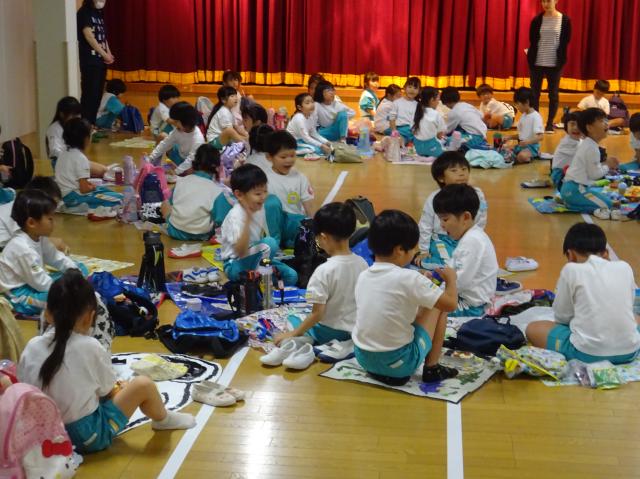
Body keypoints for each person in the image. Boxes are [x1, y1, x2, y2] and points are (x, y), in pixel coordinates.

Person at [18, 270, 195, 454]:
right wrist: (121, 388)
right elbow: (107, 390)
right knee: (143, 385)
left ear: (47, 314)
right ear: (89, 317)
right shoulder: (90, 346)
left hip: (42, 435)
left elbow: (24, 389)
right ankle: (163, 420)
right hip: (85, 437)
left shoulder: (32, 346)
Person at [351, 210, 459, 386]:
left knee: (416, 306)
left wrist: (422, 284)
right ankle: (432, 368)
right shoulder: (410, 278)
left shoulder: (363, 275)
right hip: (399, 366)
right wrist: (451, 280)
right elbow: (451, 304)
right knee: (438, 306)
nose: (415, 252)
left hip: (364, 358)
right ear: (400, 250)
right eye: (414, 248)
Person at [525, 223, 640, 364]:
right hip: (630, 352)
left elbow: (562, 317)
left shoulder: (571, 270)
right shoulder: (625, 267)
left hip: (587, 355)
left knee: (533, 329)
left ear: (570, 254)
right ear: (606, 253)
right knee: (635, 318)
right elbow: (627, 306)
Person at [274, 203, 368, 346]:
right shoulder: (362, 263)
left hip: (328, 332)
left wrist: (293, 333)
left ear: (323, 237)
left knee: (292, 318)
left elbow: (317, 314)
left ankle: (304, 339)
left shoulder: (323, 271)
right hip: (354, 329)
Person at [0, 190, 85, 315]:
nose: (53, 222)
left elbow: (56, 257)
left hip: (34, 283)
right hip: (20, 295)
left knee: (78, 268)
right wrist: (68, 288)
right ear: (31, 223)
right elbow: (41, 283)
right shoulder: (22, 248)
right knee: (65, 299)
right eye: (50, 218)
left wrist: (76, 272)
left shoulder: (40, 238)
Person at [219, 164, 297, 286]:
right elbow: (240, 251)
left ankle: (260, 277)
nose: (263, 197)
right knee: (270, 243)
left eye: (265, 191)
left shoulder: (259, 208)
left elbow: (260, 240)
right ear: (239, 195)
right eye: (258, 194)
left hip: (254, 259)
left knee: (291, 276)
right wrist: (247, 220)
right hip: (235, 265)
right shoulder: (236, 216)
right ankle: (258, 280)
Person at [433, 184, 498, 317]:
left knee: (427, 311)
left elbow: (460, 281)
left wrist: (435, 293)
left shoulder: (472, 241)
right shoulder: (470, 237)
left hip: (471, 306)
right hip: (462, 298)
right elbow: (451, 269)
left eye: (445, 219)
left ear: (465, 217)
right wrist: (435, 280)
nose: (441, 225)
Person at [415, 152, 487, 266]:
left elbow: (481, 218)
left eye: (464, 169)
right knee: (447, 262)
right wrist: (424, 250)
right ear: (441, 178)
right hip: (443, 239)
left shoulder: (477, 194)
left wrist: (477, 237)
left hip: (468, 237)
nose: (461, 174)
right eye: (454, 171)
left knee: (476, 260)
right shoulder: (435, 198)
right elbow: (425, 225)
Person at [560, 108, 622, 218]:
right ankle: (572, 205)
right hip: (575, 190)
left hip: (572, 188)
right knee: (607, 205)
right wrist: (607, 165)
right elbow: (594, 175)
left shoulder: (589, 144)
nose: (606, 123)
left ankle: (571, 202)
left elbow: (592, 170)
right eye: (601, 121)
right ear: (589, 128)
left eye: (606, 120)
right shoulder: (591, 148)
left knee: (605, 200)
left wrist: (605, 165)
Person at [55, 118, 122, 210]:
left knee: (103, 190)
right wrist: (92, 187)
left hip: (62, 195)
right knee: (118, 199)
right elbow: (84, 189)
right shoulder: (80, 158)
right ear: (86, 139)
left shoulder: (63, 154)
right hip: (74, 198)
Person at [161, 144, 224, 241]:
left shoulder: (181, 181)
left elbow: (169, 203)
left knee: (165, 203)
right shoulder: (217, 191)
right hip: (202, 235)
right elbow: (221, 219)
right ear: (217, 167)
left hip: (174, 231)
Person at [527, 0, 572, 132]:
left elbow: (566, 41)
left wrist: (561, 59)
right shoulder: (536, 20)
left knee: (553, 95)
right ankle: (536, 123)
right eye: (543, 1)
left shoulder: (565, 20)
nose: (546, 4)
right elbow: (532, 40)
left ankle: (549, 124)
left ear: (556, 1)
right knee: (535, 94)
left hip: (555, 63)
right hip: (537, 62)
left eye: (549, 1)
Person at [264, 131, 315, 243]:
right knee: (271, 203)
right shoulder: (263, 179)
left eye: (292, 155)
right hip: (271, 226)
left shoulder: (300, 178)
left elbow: (309, 206)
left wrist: (313, 226)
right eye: (283, 157)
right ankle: (275, 241)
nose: (289, 160)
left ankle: (291, 242)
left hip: (293, 223)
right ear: (269, 157)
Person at [0, 176, 67, 252]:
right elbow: (7, 251)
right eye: (50, 207)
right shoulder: (6, 215)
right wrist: (47, 244)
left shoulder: (31, 212)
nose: (53, 212)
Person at [77, 0, 115, 125]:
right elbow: (89, 36)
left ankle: (91, 125)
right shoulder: (84, 12)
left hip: (101, 61)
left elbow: (103, 37)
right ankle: (85, 125)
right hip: (90, 60)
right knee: (90, 94)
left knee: (98, 95)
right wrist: (103, 54)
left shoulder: (99, 13)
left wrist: (108, 53)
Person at [148, 102, 205, 175]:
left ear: (185, 122)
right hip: (179, 156)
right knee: (163, 137)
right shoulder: (178, 130)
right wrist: (151, 158)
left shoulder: (198, 139)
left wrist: (176, 172)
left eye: (176, 121)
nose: (174, 124)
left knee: (190, 171)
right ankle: (164, 166)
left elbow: (190, 159)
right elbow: (165, 144)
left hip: (192, 161)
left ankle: (178, 169)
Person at [503, 87, 544, 164]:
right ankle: (514, 157)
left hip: (531, 147)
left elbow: (540, 137)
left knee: (522, 156)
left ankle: (519, 158)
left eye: (517, 104)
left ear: (527, 102)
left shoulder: (536, 117)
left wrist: (528, 142)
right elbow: (522, 135)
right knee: (504, 149)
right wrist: (509, 137)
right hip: (521, 145)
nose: (516, 106)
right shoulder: (523, 116)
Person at [46, 97, 82, 169]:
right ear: (62, 114)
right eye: (73, 115)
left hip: (73, 160)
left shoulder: (72, 126)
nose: (76, 118)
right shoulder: (54, 128)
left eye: (77, 114)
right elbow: (54, 150)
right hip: (61, 162)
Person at [412, 87, 446, 158]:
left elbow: (412, 130)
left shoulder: (416, 112)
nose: (438, 102)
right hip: (432, 148)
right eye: (438, 99)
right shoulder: (436, 114)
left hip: (418, 148)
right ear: (432, 100)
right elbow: (440, 135)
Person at [551, 112, 581, 189]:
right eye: (572, 124)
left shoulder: (579, 140)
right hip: (560, 174)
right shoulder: (567, 142)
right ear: (566, 127)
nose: (576, 127)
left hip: (569, 171)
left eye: (579, 124)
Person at [392, 77, 421, 142]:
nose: (412, 90)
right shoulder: (397, 102)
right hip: (400, 130)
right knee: (398, 142)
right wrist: (394, 132)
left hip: (414, 132)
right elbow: (392, 119)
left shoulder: (418, 105)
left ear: (419, 91)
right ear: (404, 88)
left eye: (415, 88)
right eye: (410, 87)